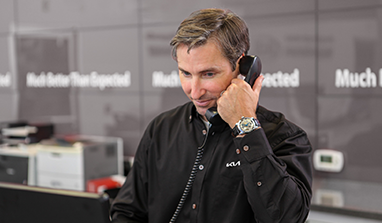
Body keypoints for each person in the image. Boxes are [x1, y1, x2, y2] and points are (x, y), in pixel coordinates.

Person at [110, 8, 312, 223]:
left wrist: (245, 126)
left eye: (208, 74)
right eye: (186, 73)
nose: (194, 92)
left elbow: (287, 218)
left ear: (242, 68)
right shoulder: (161, 129)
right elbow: (126, 212)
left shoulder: (284, 137)